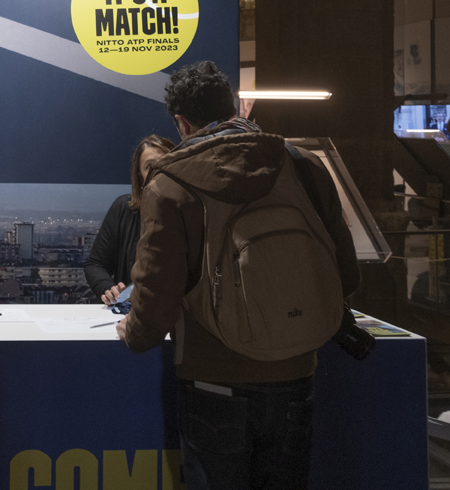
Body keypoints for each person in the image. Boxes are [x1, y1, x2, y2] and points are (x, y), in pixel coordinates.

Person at [116, 61, 359, 490]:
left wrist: (131, 332)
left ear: (181, 121)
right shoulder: (303, 166)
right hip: (297, 372)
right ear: (232, 108)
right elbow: (346, 275)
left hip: (214, 379)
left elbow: (155, 303)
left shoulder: (169, 185)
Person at [84, 134, 175, 305]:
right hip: (131, 312)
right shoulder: (124, 209)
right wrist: (107, 287)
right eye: (150, 167)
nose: (158, 172)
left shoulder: (191, 212)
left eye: (165, 164)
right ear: (139, 176)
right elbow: (96, 264)